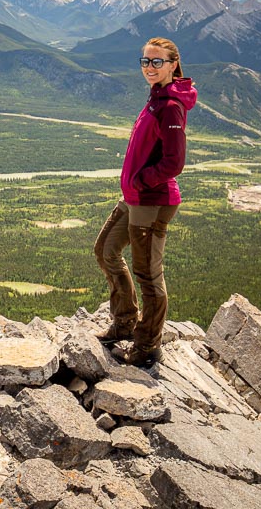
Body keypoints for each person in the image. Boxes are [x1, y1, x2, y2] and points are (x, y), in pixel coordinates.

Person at [93, 37, 196, 367]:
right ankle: (124, 321)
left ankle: (148, 345)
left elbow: (174, 162)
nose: (149, 67)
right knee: (106, 250)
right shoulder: (157, 97)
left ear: (173, 65)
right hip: (135, 198)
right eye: (145, 61)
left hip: (152, 201)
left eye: (157, 61)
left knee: (149, 277)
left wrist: (140, 180)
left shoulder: (171, 106)